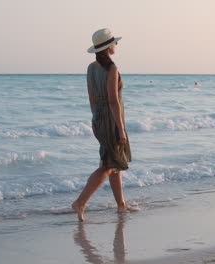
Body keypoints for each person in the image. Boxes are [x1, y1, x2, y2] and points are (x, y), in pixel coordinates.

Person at [72, 28, 138, 222]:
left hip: (98, 118)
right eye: (114, 43)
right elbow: (113, 101)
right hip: (111, 119)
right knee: (108, 165)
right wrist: (121, 128)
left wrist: (96, 120)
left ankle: (121, 205)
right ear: (109, 46)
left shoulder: (91, 68)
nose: (116, 45)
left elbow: (92, 98)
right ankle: (80, 202)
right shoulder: (112, 68)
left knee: (112, 162)